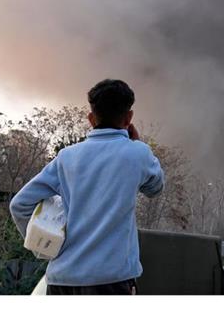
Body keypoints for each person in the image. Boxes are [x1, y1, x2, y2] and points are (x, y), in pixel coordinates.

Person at [10, 79, 165, 295]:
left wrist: (43, 245)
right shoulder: (138, 153)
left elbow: (19, 204)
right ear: (129, 118)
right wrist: (138, 145)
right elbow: (155, 189)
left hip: (61, 279)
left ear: (91, 119)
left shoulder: (66, 157)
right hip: (112, 279)